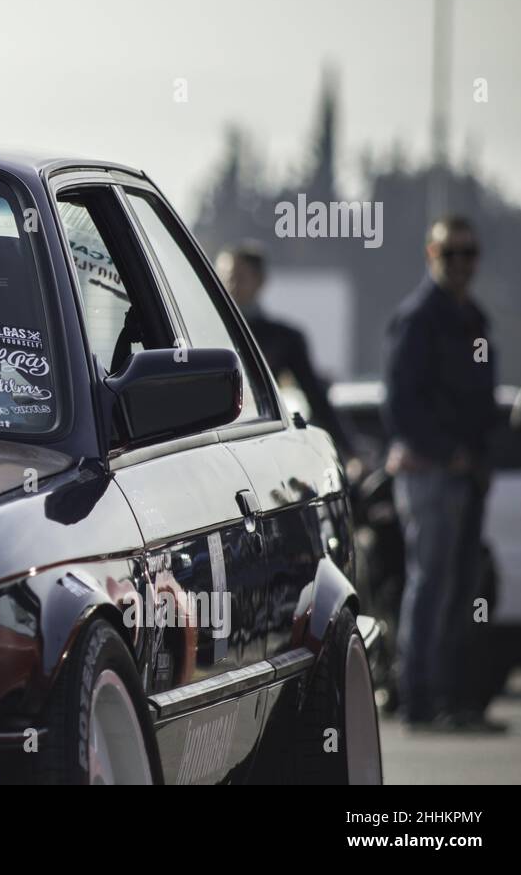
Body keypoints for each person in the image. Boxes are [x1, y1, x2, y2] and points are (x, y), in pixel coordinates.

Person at [383, 214, 501, 732]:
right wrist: (445, 450)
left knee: (462, 590)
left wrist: (479, 454)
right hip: (431, 475)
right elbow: (400, 404)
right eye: (449, 253)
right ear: (431, 256)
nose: (459, 263)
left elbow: (481, 400)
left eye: (468, 253)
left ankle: (455, 698)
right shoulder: (418, 319)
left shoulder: (473, 318)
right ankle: (420, 698)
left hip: (467, 474)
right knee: (430, 585)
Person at [214, 244, 358, 467]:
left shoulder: (282, 338)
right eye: (224, 278)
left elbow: (315, 396)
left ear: (260, 281)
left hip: (259, 442)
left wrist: (349, 451)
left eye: (239, 278)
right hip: (211, 441)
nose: (230, 286)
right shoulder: (201, 333)